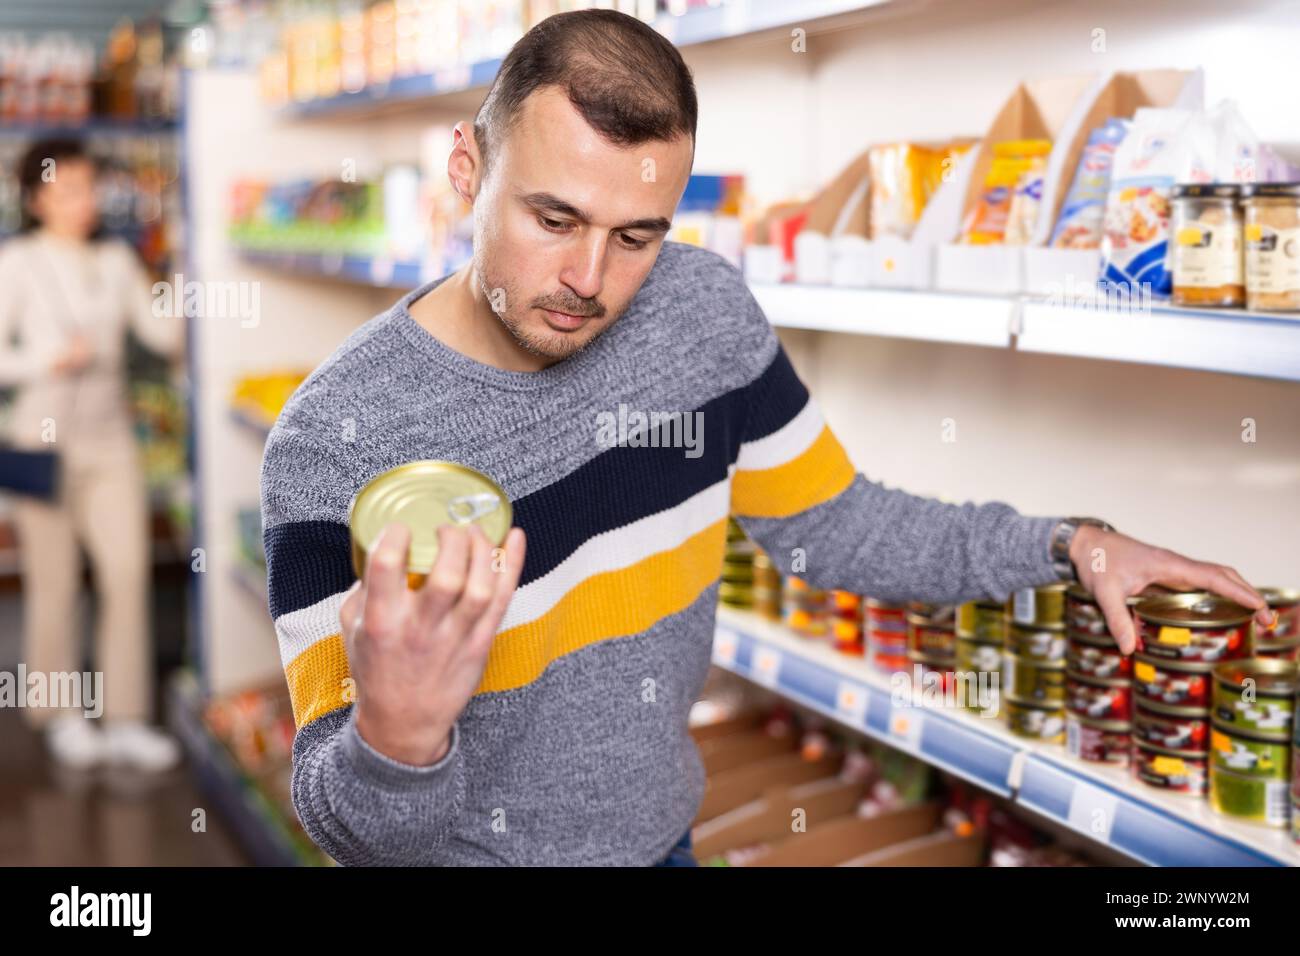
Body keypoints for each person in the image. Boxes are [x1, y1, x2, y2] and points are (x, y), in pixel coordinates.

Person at [259, 9, 1275, 866]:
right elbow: (344, 821)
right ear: (465, 168)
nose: (588, 279)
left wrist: (1070, 542)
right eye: (552, 217)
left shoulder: (702, 316)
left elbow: (835, 524)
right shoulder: (334, 443)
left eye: (636, 235)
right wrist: (398, 735)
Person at [0, 137, 186, 772]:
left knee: (127, 572)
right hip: (41, 440)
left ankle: (127, 717)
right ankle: (59, 715)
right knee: (53, 585)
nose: (82, 201)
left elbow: (161, 334)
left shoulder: (116, 259)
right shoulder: (17, 262)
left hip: (110, 440)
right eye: (66, 190)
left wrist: (185, 274)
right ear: (36, 198)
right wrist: (45, 359)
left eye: (88, 187)